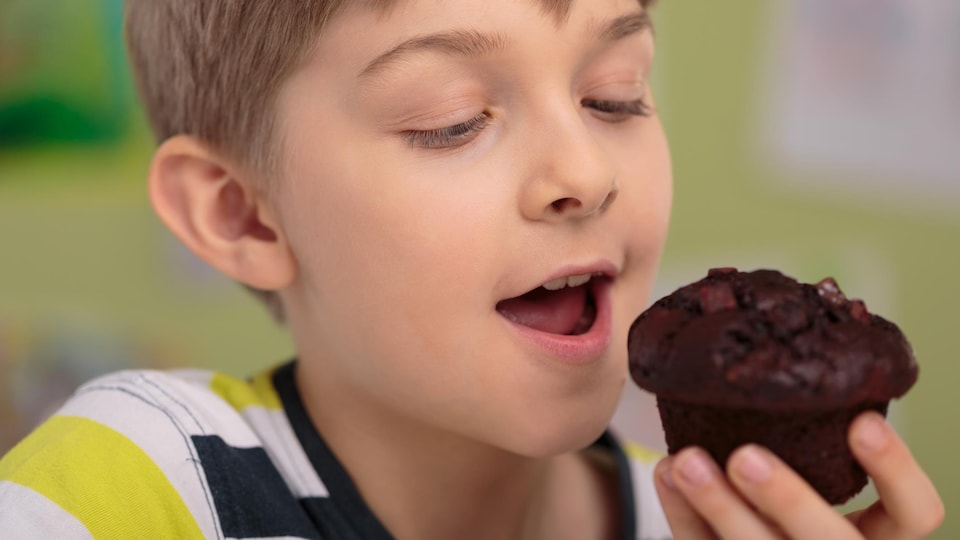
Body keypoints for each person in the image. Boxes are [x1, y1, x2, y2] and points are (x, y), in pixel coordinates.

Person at [0, 0, 944, 538]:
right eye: (451, 120)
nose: (585, 172)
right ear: (242, 211)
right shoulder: (133, 487)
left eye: (613, 96)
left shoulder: (705, 519)